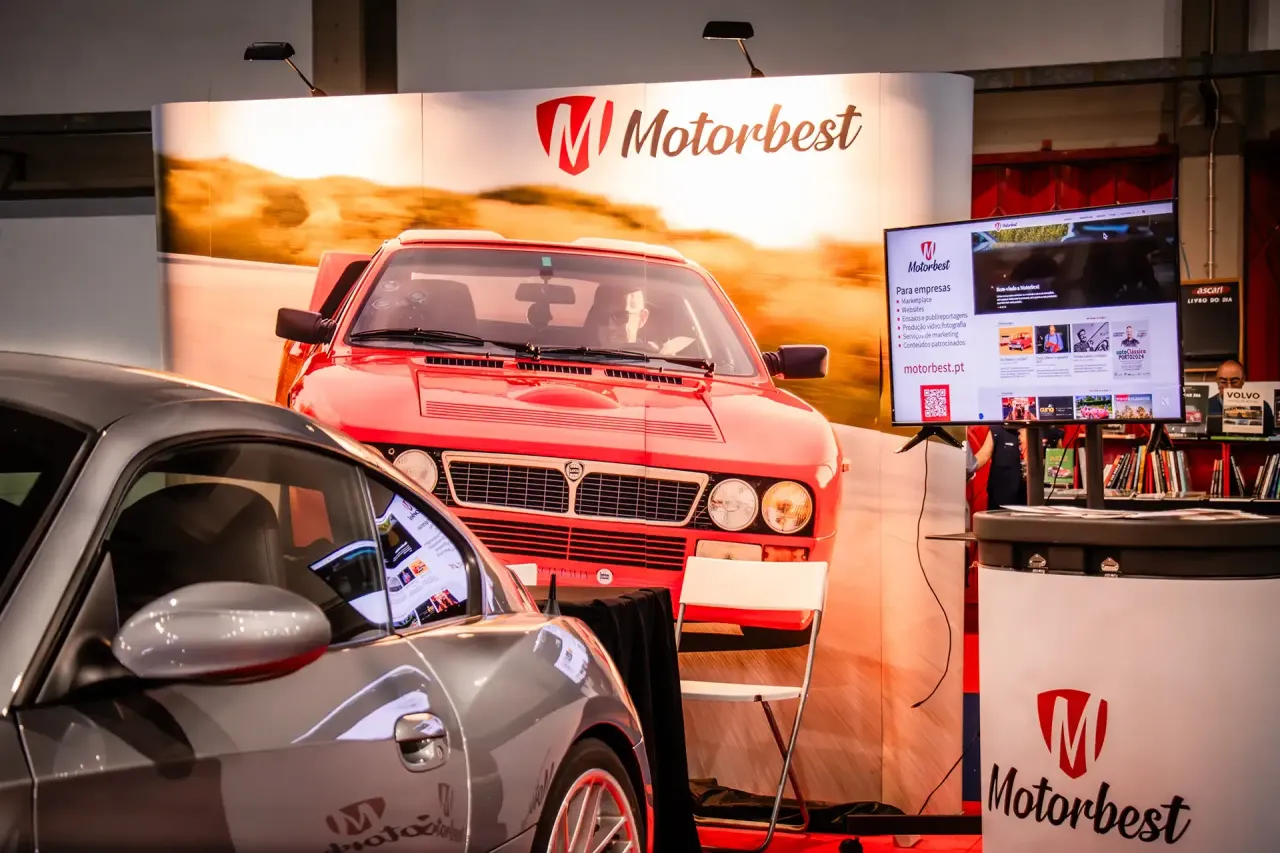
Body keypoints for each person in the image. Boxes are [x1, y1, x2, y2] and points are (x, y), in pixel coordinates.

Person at [1207, 359, 1275, 436]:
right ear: (1216, 381)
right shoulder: (1205, 406)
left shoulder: (1262, 406)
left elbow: (1270, 437)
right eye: (1223, 382)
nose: (1229, 387)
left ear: (1243, 380)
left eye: (1234, 382)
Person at [975, 424, 1028, 508]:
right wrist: (964, 467)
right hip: (1001, 501)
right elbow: (983, 456)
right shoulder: (997, 429)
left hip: (1033, 501)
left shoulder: (1043, 428)